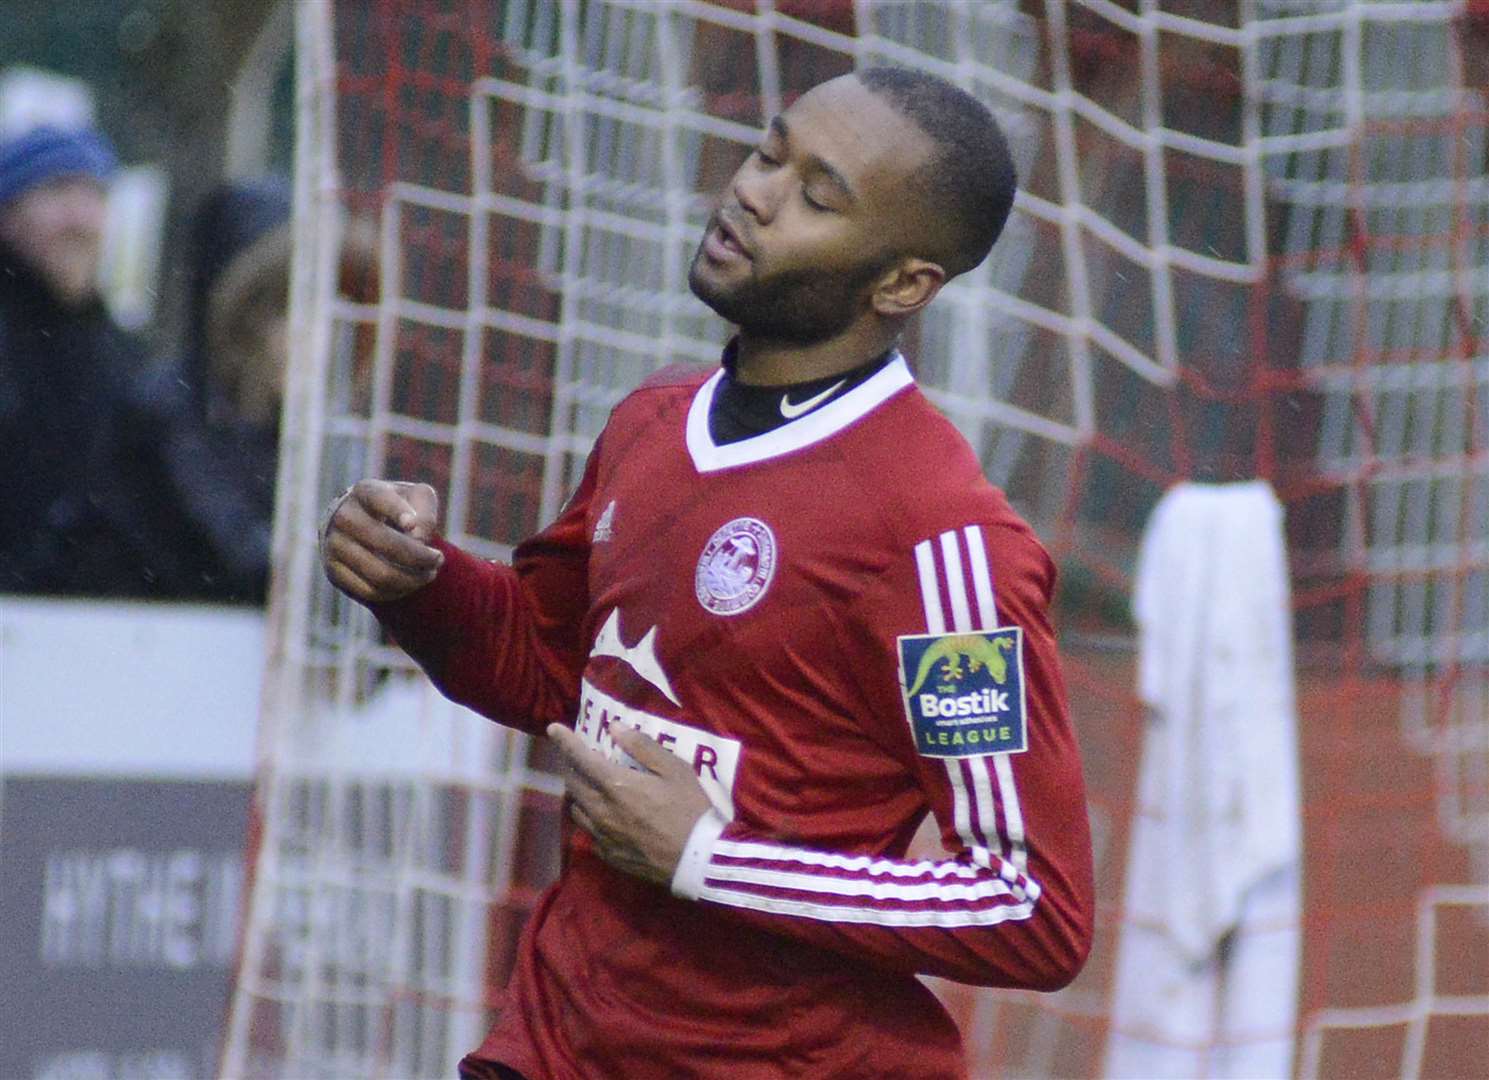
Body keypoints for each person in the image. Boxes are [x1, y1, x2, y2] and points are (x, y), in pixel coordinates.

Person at [323, 67, 1095, 1079]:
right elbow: (551, 676)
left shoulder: (941, 542)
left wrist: (711, 860)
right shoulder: (651, 422)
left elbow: (1029, 906)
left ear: (902, 284)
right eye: (768, 153)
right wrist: (417, 583)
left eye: (817, 195)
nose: (755, 192)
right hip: (554, 1045)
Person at [116, 178, 293, 603]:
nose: (313, 334)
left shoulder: (317, 426)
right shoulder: (167, 409)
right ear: (244, 314)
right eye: (284, 307)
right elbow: (245, 563)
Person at [0, 122, 154, 596]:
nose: (81, 219)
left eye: (95, 196)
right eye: (58, 192)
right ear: (8, 214)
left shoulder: (127, 358)